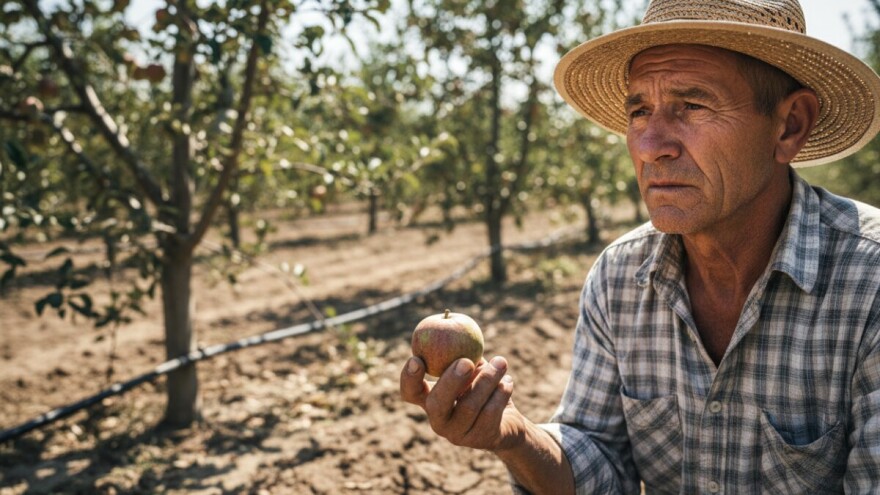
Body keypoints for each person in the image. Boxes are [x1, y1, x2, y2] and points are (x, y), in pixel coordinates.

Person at [400, 0, 880, 492]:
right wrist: (516, 438)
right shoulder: (620, 277)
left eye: (692, 105)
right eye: (639, 110)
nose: (651, 146)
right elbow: (601, 457)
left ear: (789, 125)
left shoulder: (870, 284)